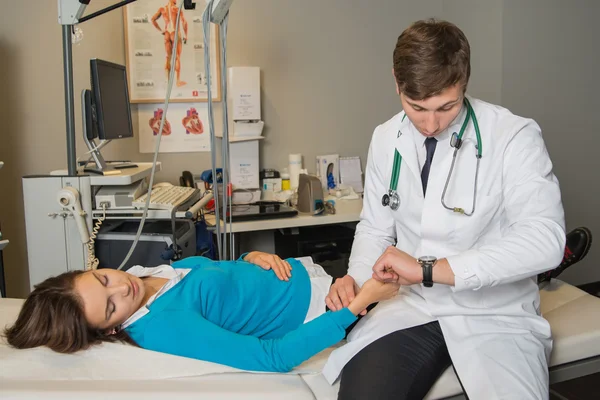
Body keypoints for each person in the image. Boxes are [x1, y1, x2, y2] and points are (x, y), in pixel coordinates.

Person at [324, 19, 568, 399]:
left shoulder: (513, 135)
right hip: (411, 308)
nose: (430, 124)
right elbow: (375, 228)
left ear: (465, 81)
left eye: (446, 106)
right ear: (396, 81)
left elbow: (545, 240)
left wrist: (427, 270)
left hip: (494, 312)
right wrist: (356, 283)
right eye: (416, 107)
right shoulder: (387, 137)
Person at [4, 252, 398, 373]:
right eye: (110, 307)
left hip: (315, 272)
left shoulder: (141, 278)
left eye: (102, 277)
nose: (121, 286)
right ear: (108, 331)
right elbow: (271, 358)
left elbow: (210, 269)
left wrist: (248, 257)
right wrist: (356, 306)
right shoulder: (163, 327)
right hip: (332, 303)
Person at [152, 0, 188, 87]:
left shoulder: (162, 9)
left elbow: (152, 19)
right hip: (175, 33)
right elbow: (184, 22)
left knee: (168, 57)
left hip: (167, 33)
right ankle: (177, 81)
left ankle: (168, 82)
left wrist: (161, 30)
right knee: (177, 57)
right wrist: (186, 35)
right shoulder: (176, 9)